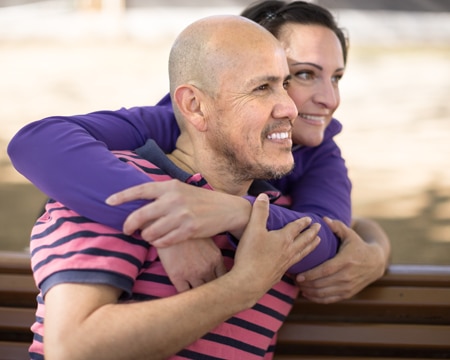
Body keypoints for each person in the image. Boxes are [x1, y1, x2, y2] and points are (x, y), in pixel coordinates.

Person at [8, 1, 390, 303]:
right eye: (300, 75)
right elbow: (38, 142)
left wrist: (376, 247)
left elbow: (330, 233)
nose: (329, 99)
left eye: (337, 77)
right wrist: (169, 227)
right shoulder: (174, 123)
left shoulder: (320, 152)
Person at [29, 15, 323, 359]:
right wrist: (240, 288)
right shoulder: (117, 188)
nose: (290, 108)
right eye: (262, 88)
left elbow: (346, 245)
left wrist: (372, 242)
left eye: (286, 84)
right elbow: (71, 350)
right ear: (195, 107)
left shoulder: (277, 216)